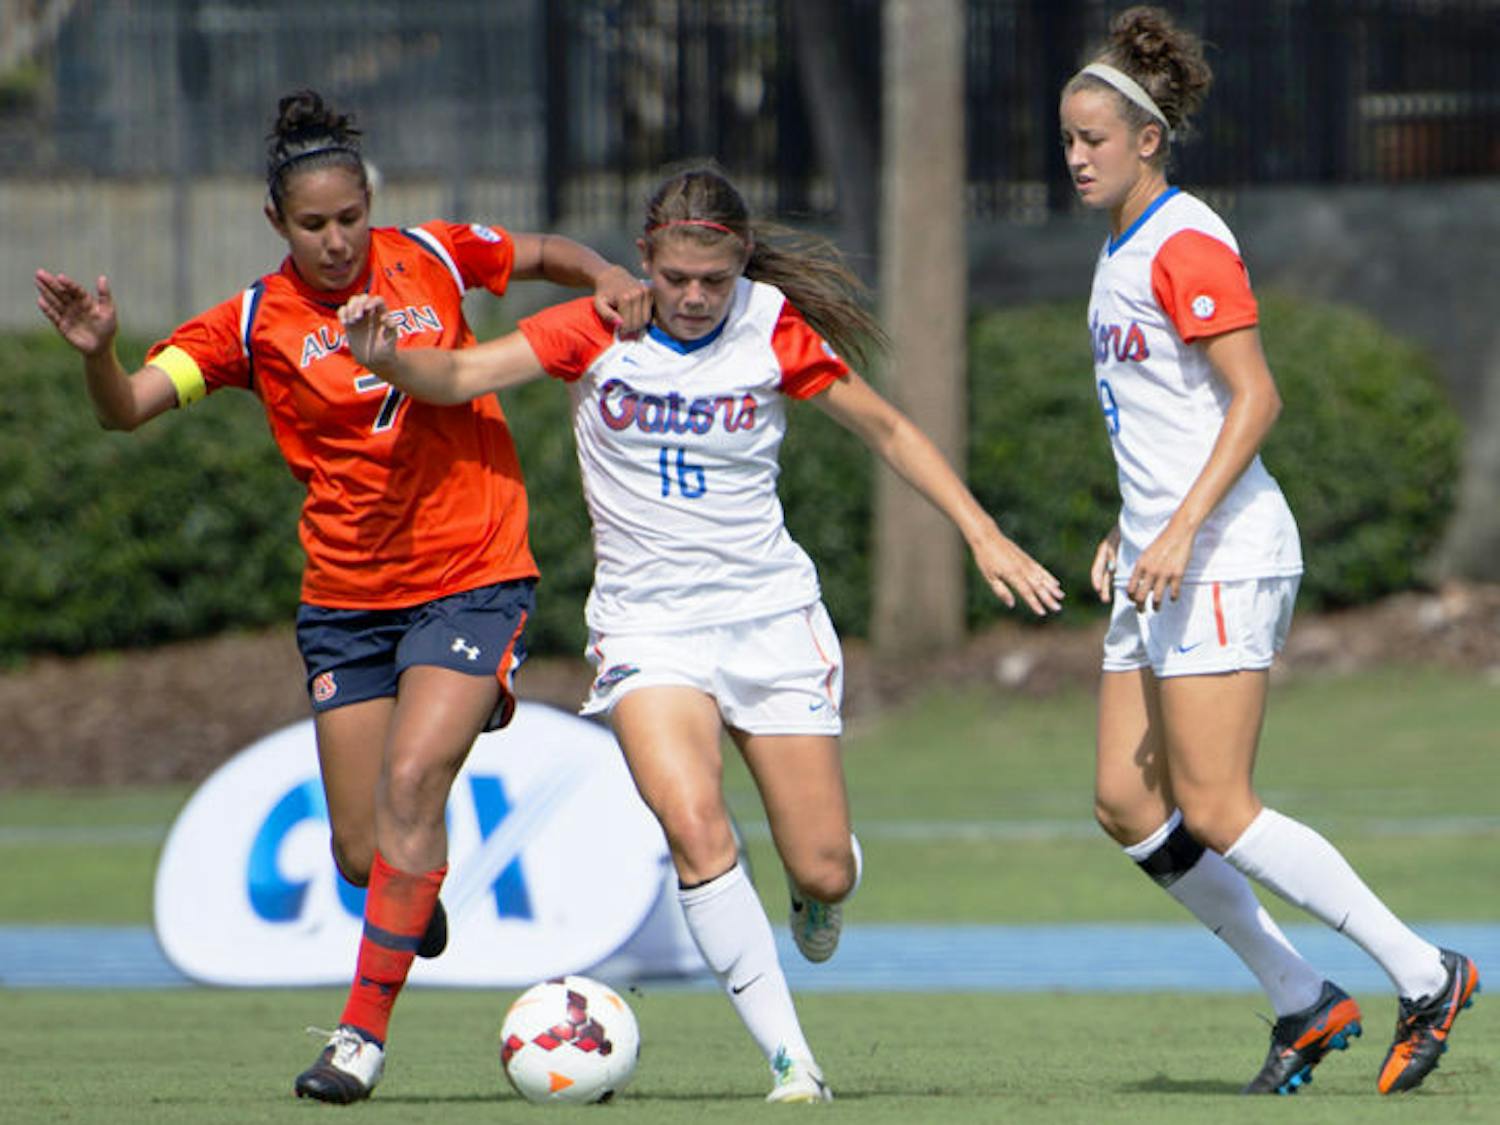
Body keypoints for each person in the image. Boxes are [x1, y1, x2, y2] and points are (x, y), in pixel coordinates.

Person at [340, 165, 1065, 1102]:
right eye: (676, 277)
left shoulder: (772, 329)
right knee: (694, 826)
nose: (692, 298)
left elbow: (885, 428)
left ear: (740, 266)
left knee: (824, 863)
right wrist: (386, 356)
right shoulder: (593, 326)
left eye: (712, 281)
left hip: (768, 618)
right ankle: (790, 1061)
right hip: (649, 628)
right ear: (645, 258)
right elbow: (461, 373)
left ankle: (818, 889)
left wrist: (984, 533)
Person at [34, 88, 650, 1104]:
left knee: (414, 787)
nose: (335, 241)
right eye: (313, 226)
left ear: (373, 205)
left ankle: (357, 1042)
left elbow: (539, 254)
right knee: (364, 851)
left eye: (350, 219)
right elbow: (128, 412)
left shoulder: (437, 255)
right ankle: (411, 901)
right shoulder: (250, 322)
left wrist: (609, 273)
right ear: (275, 224)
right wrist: (101, 353)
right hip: (347, 600)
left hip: (471, 571)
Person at [1059, 6, 1479, 1098]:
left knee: (1219, 807)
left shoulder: (1187, 238)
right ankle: (1304, 998)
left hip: (1222, 553)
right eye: (1066, 139)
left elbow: (1256, 398)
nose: (1075, 157)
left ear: (1148, 138)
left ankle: (1426, 973)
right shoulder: (1118, 248)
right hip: (1159, 552)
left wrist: (1182, 526)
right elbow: (1165, 417)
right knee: (1124, 800)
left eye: (1093, 139)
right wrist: (1129, 521)